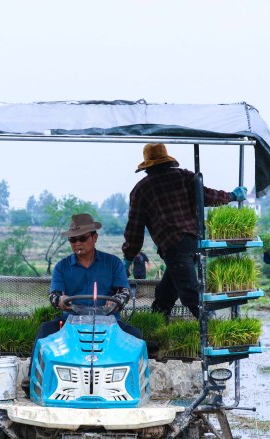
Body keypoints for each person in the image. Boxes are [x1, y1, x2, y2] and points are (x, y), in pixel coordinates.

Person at [122, 143, 247, 319]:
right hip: (195, 243)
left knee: (191, 294)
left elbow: (135, 230)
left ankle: (214, 331)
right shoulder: (184, 177)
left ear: (147, 165)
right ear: (167, 160)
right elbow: (207, 195)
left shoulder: (141, 189)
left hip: (174, 245)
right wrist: (231, 196)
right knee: (165, 295)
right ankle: (155, 327)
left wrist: (128, 258)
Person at [23, 213, 142, 397]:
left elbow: (124, 292)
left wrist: (114, 303)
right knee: (45, 330)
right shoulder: (62, 267)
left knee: (135, 335)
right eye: (73, 240)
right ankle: (33, 379)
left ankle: (133, 384)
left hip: (109, 321)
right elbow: (54, 295)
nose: (77, 243)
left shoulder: (113, 263)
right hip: (70, 320)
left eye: (82, 238)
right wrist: (61, 301)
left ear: (94, 238)